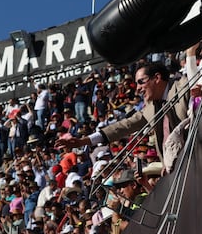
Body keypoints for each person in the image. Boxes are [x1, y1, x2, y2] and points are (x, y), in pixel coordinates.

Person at [55, 62, 189, 163]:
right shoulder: (151, 108)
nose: (138, 89)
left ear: (157, 78)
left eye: (141, 82)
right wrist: (83, 141)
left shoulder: (184, 85)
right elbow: (123, 127)